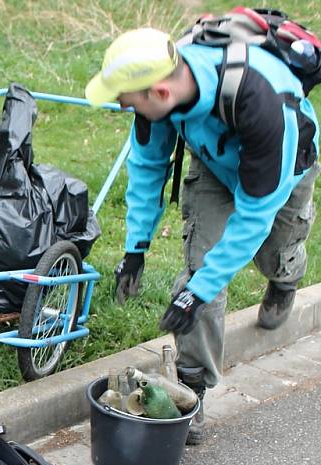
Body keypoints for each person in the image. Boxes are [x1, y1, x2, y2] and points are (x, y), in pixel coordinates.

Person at [85, 27, 319, 444]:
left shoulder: (264, 103)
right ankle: (191, 391)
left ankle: (285, 278)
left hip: (281, 174)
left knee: (273, 252)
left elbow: (255, 215)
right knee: (195, 280)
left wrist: (200, 290)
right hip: (214, 163)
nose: (121, 105)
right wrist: (136, 248)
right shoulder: (160, 98)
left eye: (126, 99)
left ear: (159, 92)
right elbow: (147, 169)